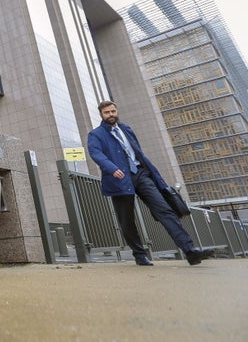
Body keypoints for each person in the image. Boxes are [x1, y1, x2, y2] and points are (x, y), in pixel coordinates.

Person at [87, 100, 214, 266]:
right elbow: (96, 153)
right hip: (118, 179)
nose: (111, 115)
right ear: (101, 115)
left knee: (165, 210)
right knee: (127, 220)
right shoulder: (96, 134)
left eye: (113, 111)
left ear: (116, 111)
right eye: (107, 113)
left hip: (141, 174)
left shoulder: (127, 129)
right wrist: (111, 168)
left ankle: (190, 251)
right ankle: (140, 255)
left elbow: (137, 152)